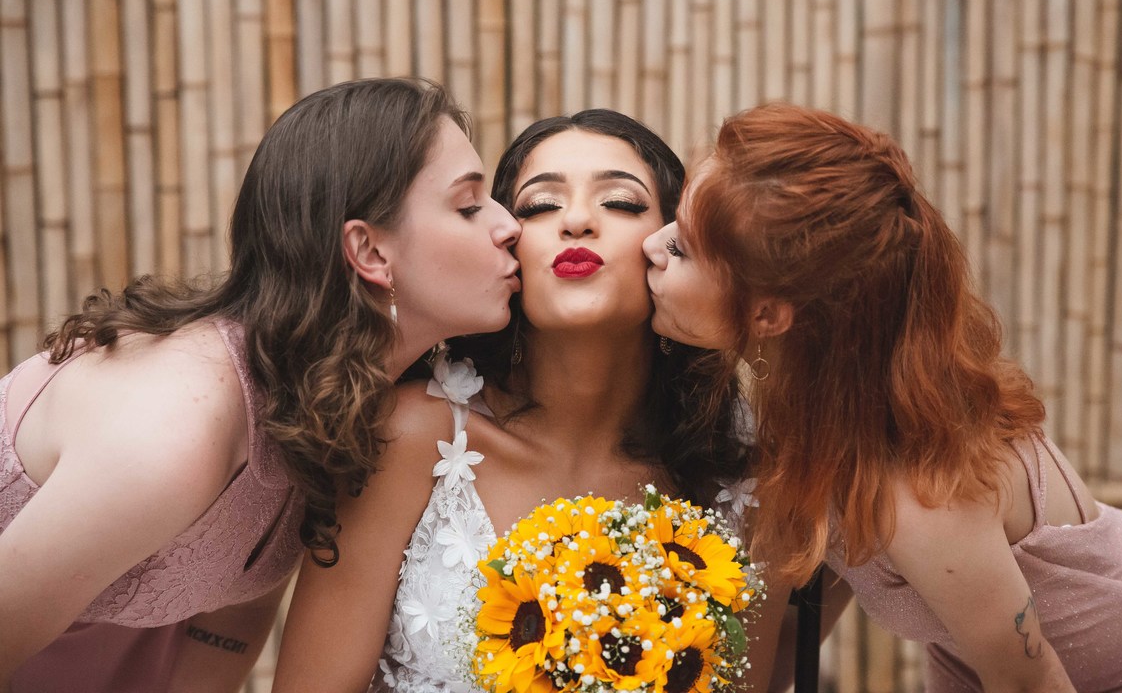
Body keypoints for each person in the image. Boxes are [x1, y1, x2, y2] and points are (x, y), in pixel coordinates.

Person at [642, 102, 1122, 692]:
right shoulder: (820, 414)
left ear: (769, 314)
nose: (653, 243)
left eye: (682, 248)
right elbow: (781, 646)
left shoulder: (918, 491)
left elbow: (1030, 683)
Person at [0, 77, 522, 691]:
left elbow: (237, 606)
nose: (510, 226)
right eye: (468, 206)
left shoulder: (331, 398)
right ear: (370, 252)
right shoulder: (178, 423)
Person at [273, 109, 788, 692]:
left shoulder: (745, 478)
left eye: (620, 202)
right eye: (539, 206)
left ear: (677, 244)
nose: (575, 220)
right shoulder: (411, 435)